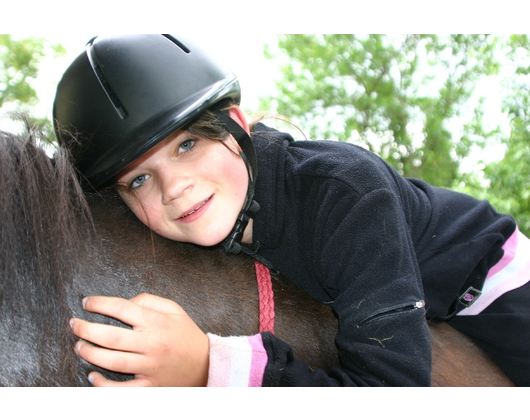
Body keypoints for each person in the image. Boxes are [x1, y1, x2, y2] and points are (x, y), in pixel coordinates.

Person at [55, 34, 530, 387]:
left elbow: (395, 381)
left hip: (481, 275)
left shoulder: (344, 191)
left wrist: (209, 366)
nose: (174, 187)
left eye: (188, 145)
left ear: (235, 126)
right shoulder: (209, 207)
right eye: (138, 178)